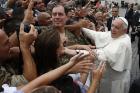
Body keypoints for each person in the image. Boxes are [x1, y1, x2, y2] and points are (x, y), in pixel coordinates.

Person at [80, 17, 132, 93]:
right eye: (112, 26)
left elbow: (103, 55)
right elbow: (95, 34)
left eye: (117, 27)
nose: (113, 29)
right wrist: (81, 28)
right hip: (106, 78)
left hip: (115, 81)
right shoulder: (112, 34)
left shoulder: (124, 42)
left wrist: (77, 50)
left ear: (124, 30)